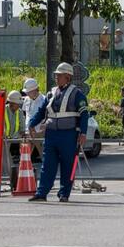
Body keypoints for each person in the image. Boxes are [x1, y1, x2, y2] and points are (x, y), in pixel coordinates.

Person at [27, 62, 89, 202]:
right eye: (56, 75)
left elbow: (84, 114)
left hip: (69, 134)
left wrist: (83, 133)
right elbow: (42, 111)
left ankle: (64, 194)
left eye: (59, 75)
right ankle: (42, 193)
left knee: (67, 165)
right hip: (51, 134)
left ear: (68, 77)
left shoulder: (77, 94)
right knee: (47, 165)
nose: (56, 78)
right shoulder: (51, 93)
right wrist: (32, 124)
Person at [3, 90, 27, 187]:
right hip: (4, 141)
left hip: (15, 141)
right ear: (12, 103)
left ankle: (14, 184)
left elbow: (22, 127)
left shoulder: (20, 112)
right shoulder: (2, 110)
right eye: (18, 104)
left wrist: (23, 134)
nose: (19, 106)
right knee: (3, 163)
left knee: (15, 163)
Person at [22, 78, 45, 155]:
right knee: (25, 157)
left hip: (39, 133)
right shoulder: (26, 100)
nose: (27, 94)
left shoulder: (44, 100)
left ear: (35, 90)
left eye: (29, 92)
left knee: (44, 155)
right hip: (28, 132)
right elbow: (25, 115)